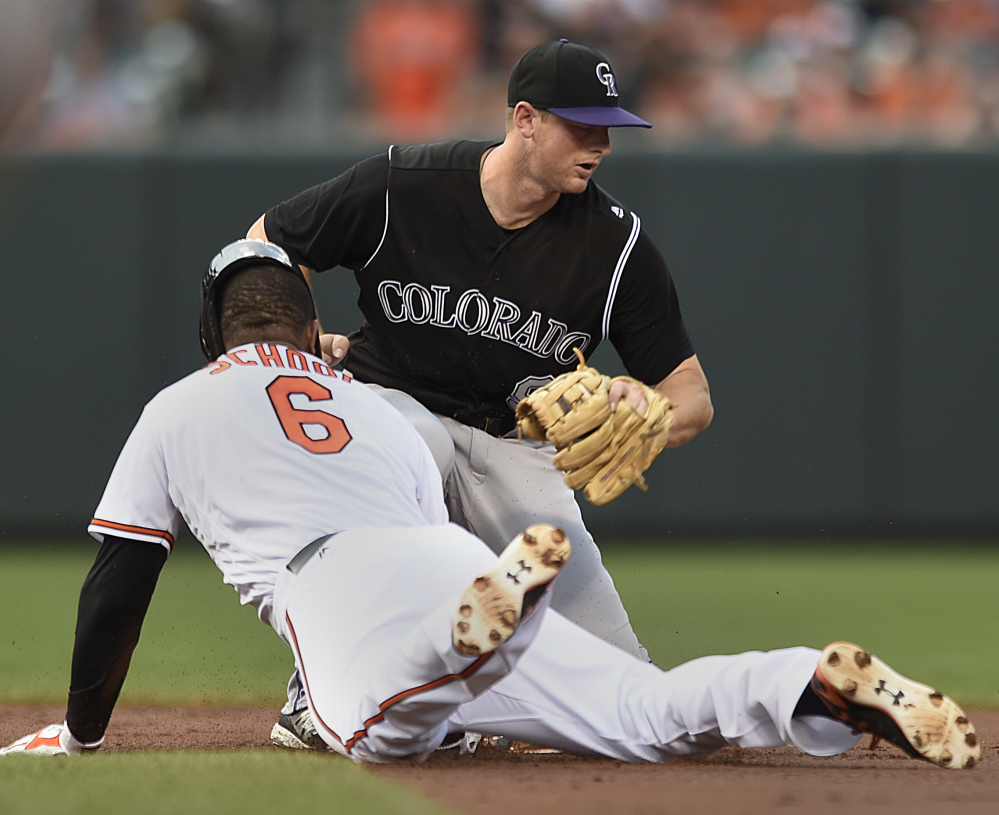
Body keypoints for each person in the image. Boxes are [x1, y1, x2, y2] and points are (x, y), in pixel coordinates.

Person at [0, 240, 979, 770]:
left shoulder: (178, 403)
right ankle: (802, 676)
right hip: (448, 563)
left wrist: (84, 730)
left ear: (212, 330)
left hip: (354, 597)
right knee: (643, 709)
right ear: (311, 324)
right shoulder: (376, 409)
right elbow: (429, 525)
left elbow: (118, 579)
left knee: (372, 732)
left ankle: (462, 637)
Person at [246, 38, 714, 747]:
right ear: (524, 118)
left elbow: (692, 394)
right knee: (413, 449)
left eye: (608, 128)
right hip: (392, 411)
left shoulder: (614, 245)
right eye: (581, 126)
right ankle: (316, 696)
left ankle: (473, 705)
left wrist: (647, 410)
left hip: (512, 445)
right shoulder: (405, 184)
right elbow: (270, 242)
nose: (601, 144)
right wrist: (300, 337)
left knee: (627, 695)